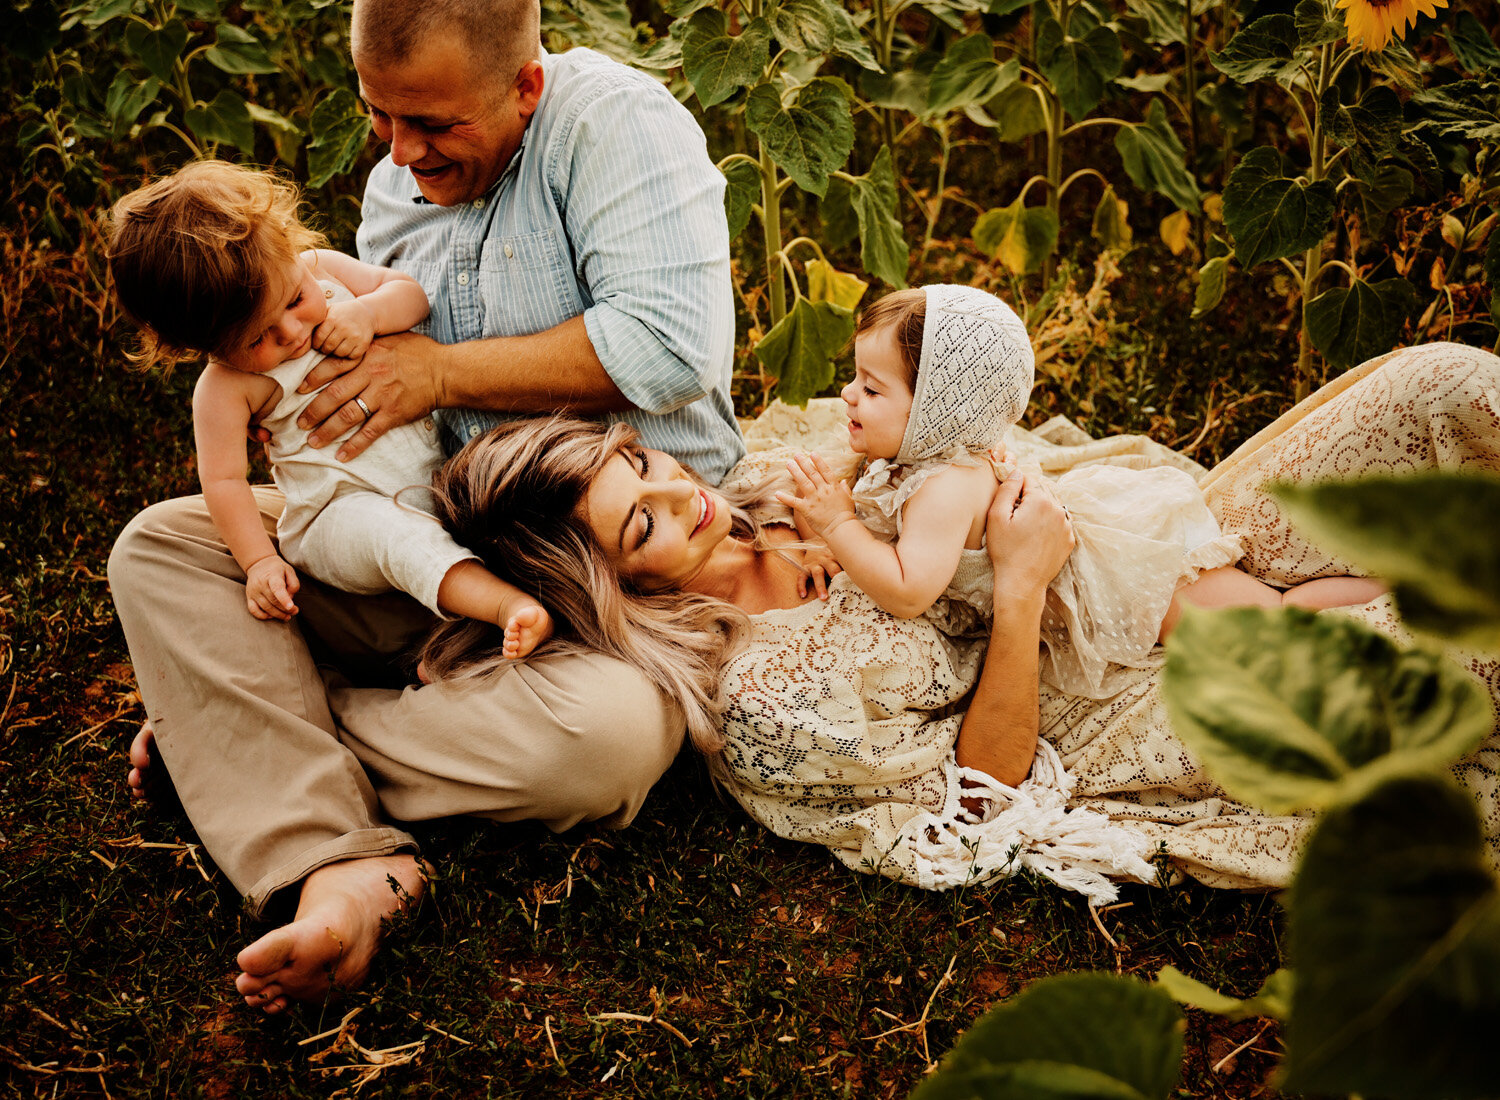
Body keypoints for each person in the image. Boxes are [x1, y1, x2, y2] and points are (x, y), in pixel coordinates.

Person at [109, 0, 742, 1014]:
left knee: (607, 743)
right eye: (381, 117)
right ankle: (340, 858)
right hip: (432, 541)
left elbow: (671, 349)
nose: (403, 154)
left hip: (616, 574)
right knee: (161, 548)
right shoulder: (398, 185)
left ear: (523, 87)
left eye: (435, 125)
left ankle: (250, 736)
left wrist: (438, 371)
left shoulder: (617, 125)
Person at [424, 340, 1500, 902]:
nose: (685, 498)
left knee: (1442, 390)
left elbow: (917, 424)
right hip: (1122, 703)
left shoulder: (765, 484)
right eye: (643, 526)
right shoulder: (766, 701)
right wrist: (1023, 588)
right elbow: (981, 799)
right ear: (611, 586)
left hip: (1148, 552)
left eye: (645, 467)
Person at [778, 285, 1384, 699]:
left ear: (938, 415)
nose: (849, 396)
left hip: (1114, 575)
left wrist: (839, 528)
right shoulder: (926, 453)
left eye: (872, 388)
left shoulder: (942, 488)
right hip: (1076, 551)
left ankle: (1389, 594)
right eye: (855, 378)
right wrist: (822, 529)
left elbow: (908, 590)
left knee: (1263, 626)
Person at [107, 160, 552, 656]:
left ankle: (453, 649)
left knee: (496, 502)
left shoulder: (322, 269)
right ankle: (505, 608)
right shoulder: (226, 388)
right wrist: (258, 562)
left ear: (288, 244)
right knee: (396, 539)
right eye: (259, 338)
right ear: (202, 345)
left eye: (295, 300)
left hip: (433, 478)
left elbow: (410, 295)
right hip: (336, 516)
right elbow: (225, 481)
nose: (292, 334)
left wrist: (368, 312)